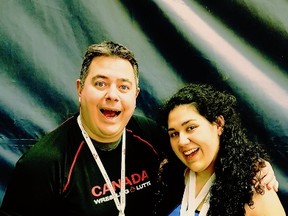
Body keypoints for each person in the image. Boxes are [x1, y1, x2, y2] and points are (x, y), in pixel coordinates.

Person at [0, 41, 279, 216]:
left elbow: (203, 154)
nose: (113, 94)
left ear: (135, 95)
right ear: (80, 89)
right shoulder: (44, 164)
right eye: (100, 83)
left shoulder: (151, 136)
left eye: (123, 86)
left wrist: (255, 167)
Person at [157, 83, 286, 216]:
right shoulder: (170, 176)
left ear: (219, 124)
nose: (182, 141)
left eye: (191, 127)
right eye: (174, 134)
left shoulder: (253, 187)